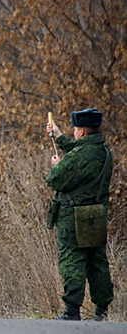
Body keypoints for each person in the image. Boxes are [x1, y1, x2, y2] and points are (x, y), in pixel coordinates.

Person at [46, 108, 113, 321]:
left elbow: (55, 179)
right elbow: (78, 149)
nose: (74, 133)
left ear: (82, 131)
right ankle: (102, 312)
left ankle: (71, 311)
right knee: (97, 262)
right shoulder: (103, 151)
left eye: (75, 129)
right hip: (96, 215)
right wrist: (59, 136)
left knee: (72, 261)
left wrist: (57, 165)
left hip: (73, 217)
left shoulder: (79, 156)